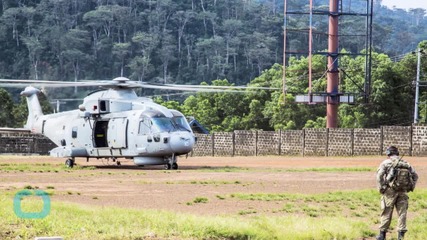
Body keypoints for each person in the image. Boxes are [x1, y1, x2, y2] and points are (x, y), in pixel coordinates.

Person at [376, 146, 418, 240]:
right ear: (397, 153)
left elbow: (379, 176)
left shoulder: (386, 163)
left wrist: (382, 188)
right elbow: (415, 176)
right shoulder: (406, 163)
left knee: (386, 212)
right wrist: (410, 187)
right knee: (402, 213)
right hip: (403, 192)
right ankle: (401, 237)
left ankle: (382, 236)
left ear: (388, 154)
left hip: (389, 191)